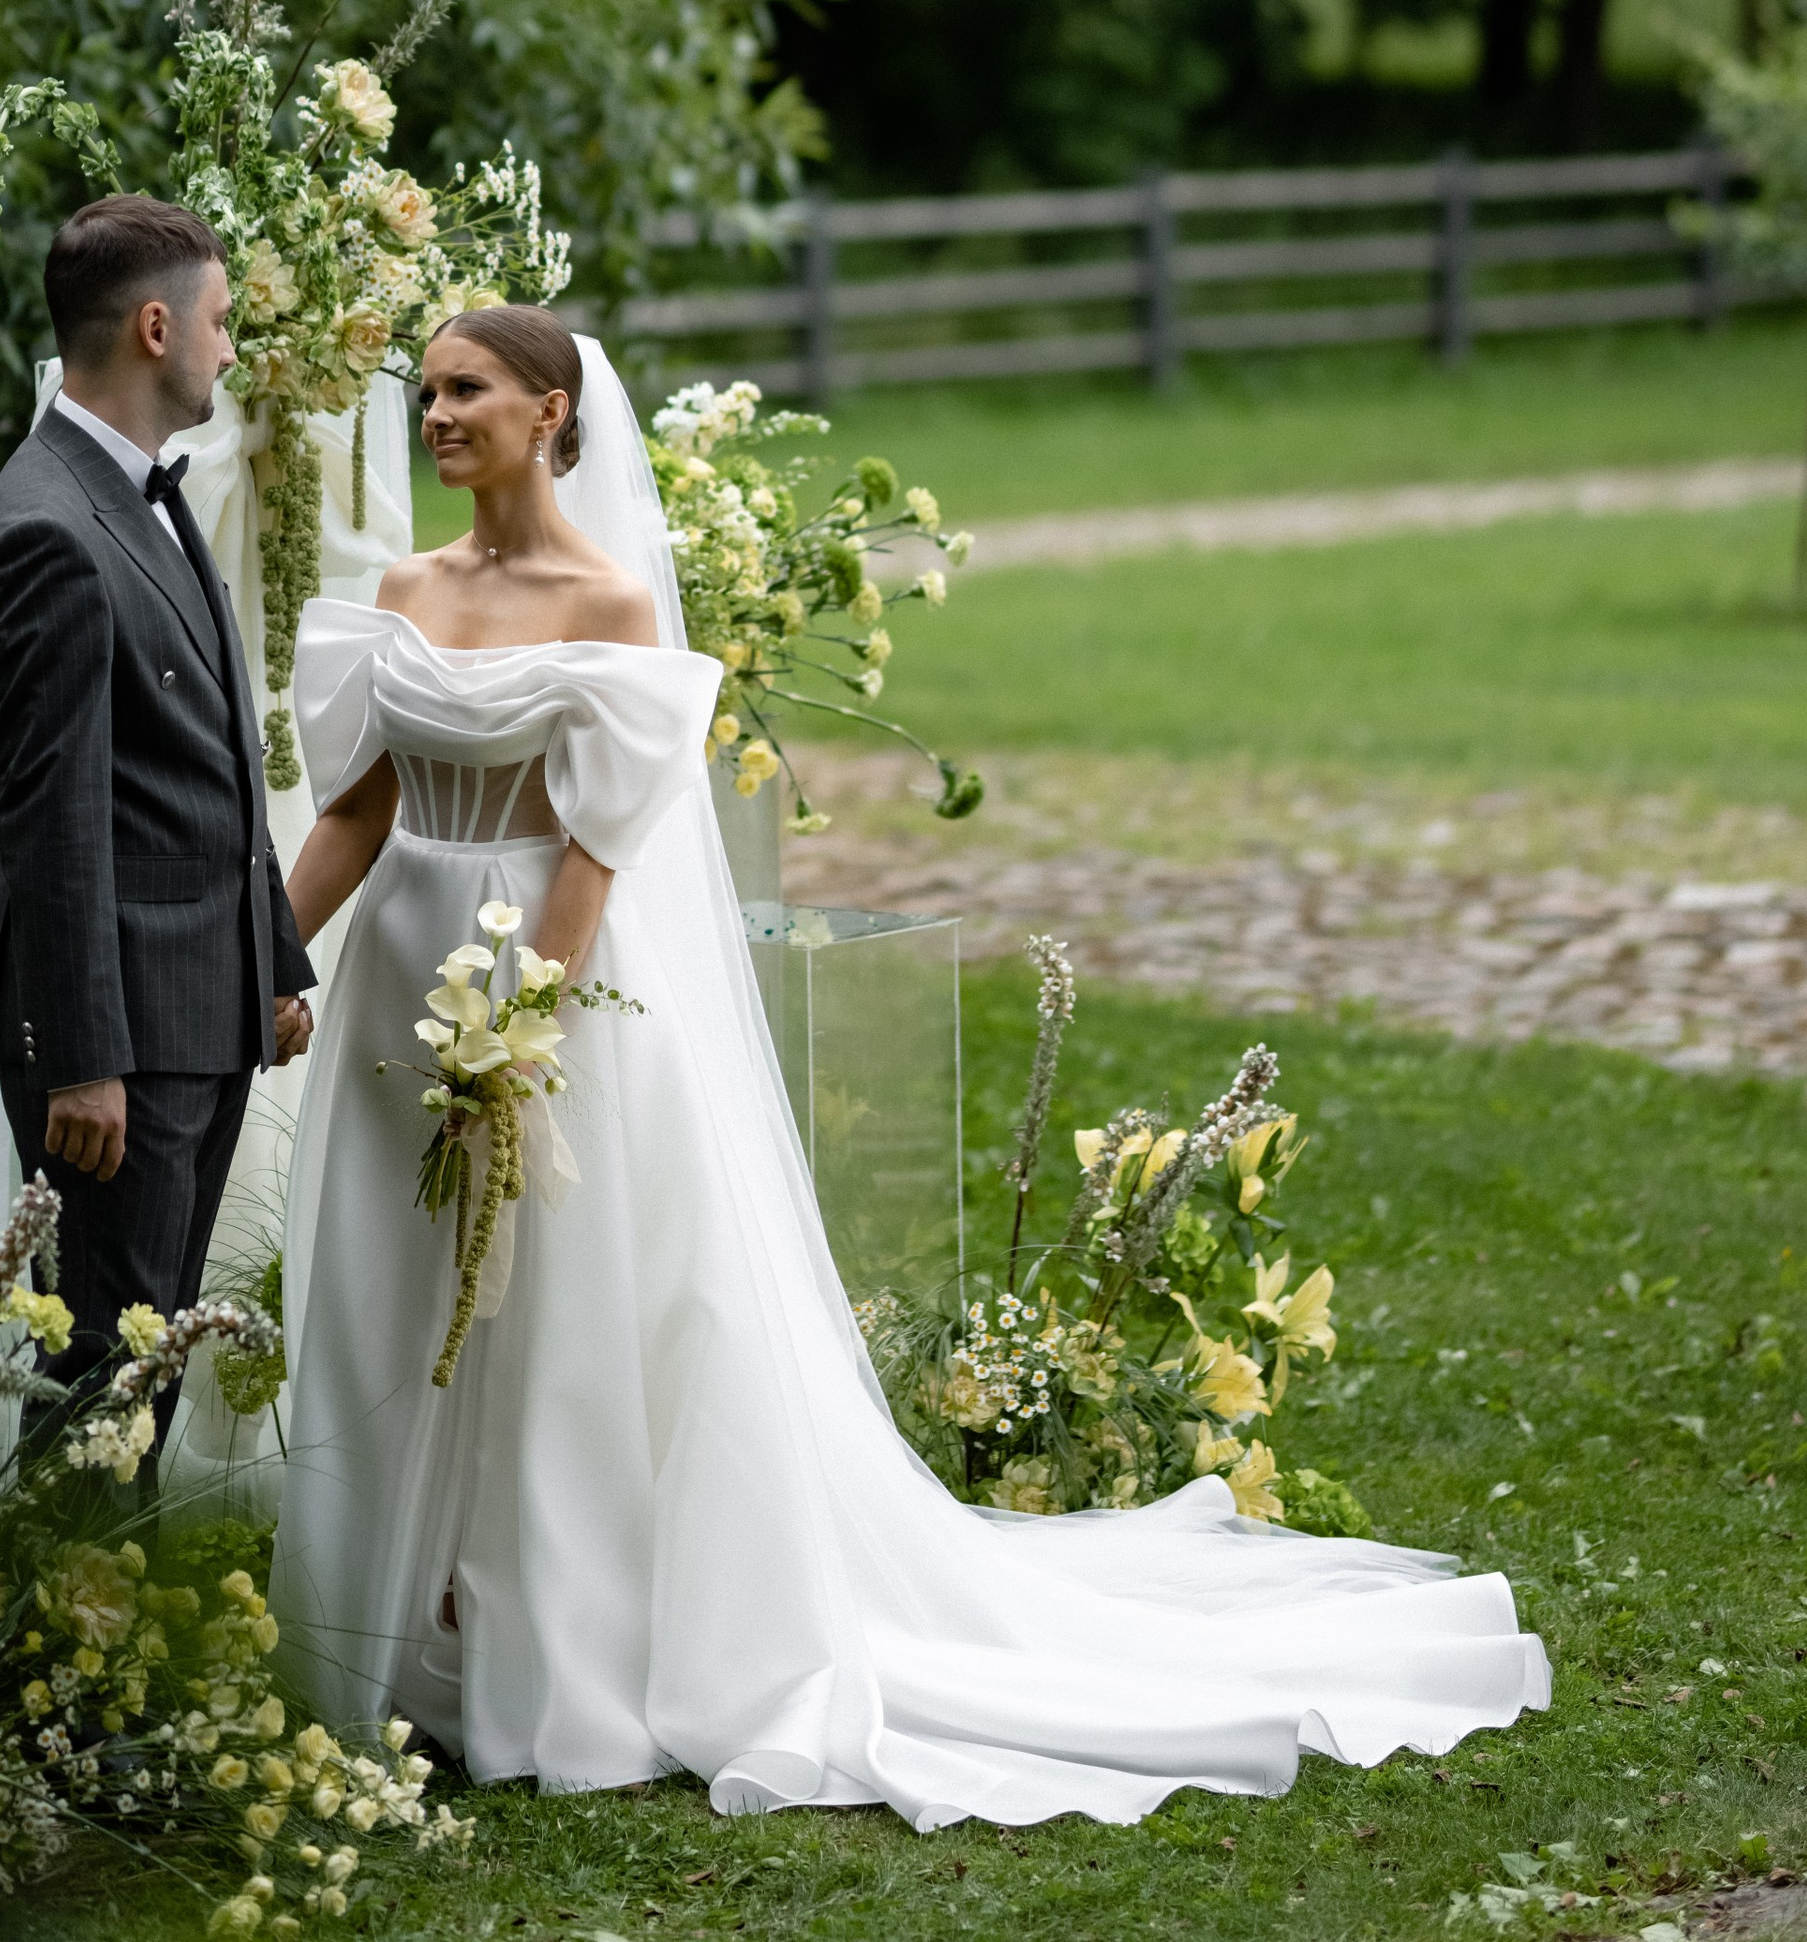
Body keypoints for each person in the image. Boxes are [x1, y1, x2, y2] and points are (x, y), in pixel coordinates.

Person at [268, 305, 1549, 1828]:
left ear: (552, 413)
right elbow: (353, 807)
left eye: (467, 388)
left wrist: (517, 1027)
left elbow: (598, 845)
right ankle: (395, 1620)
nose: (438, 411)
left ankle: (549, 1640)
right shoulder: (407, 592)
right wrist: (274, 956)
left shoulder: (610, 603)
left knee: (548, 1300)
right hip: (394, 975)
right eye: (428, 391)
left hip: (537, 986)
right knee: (395, 1282)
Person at [0, 194, 315, 1393]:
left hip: (195, 1009)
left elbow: (195, 756)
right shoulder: (44, 528)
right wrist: (80, 1059)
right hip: (119, 1052)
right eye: (219, 321)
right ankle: (64, 1585)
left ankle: (98, 1582)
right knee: (104, 1381)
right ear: (155, 327)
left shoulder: (141, 494)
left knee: (141, 1372)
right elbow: (51, 820)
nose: (230, 348)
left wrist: (270, 957)